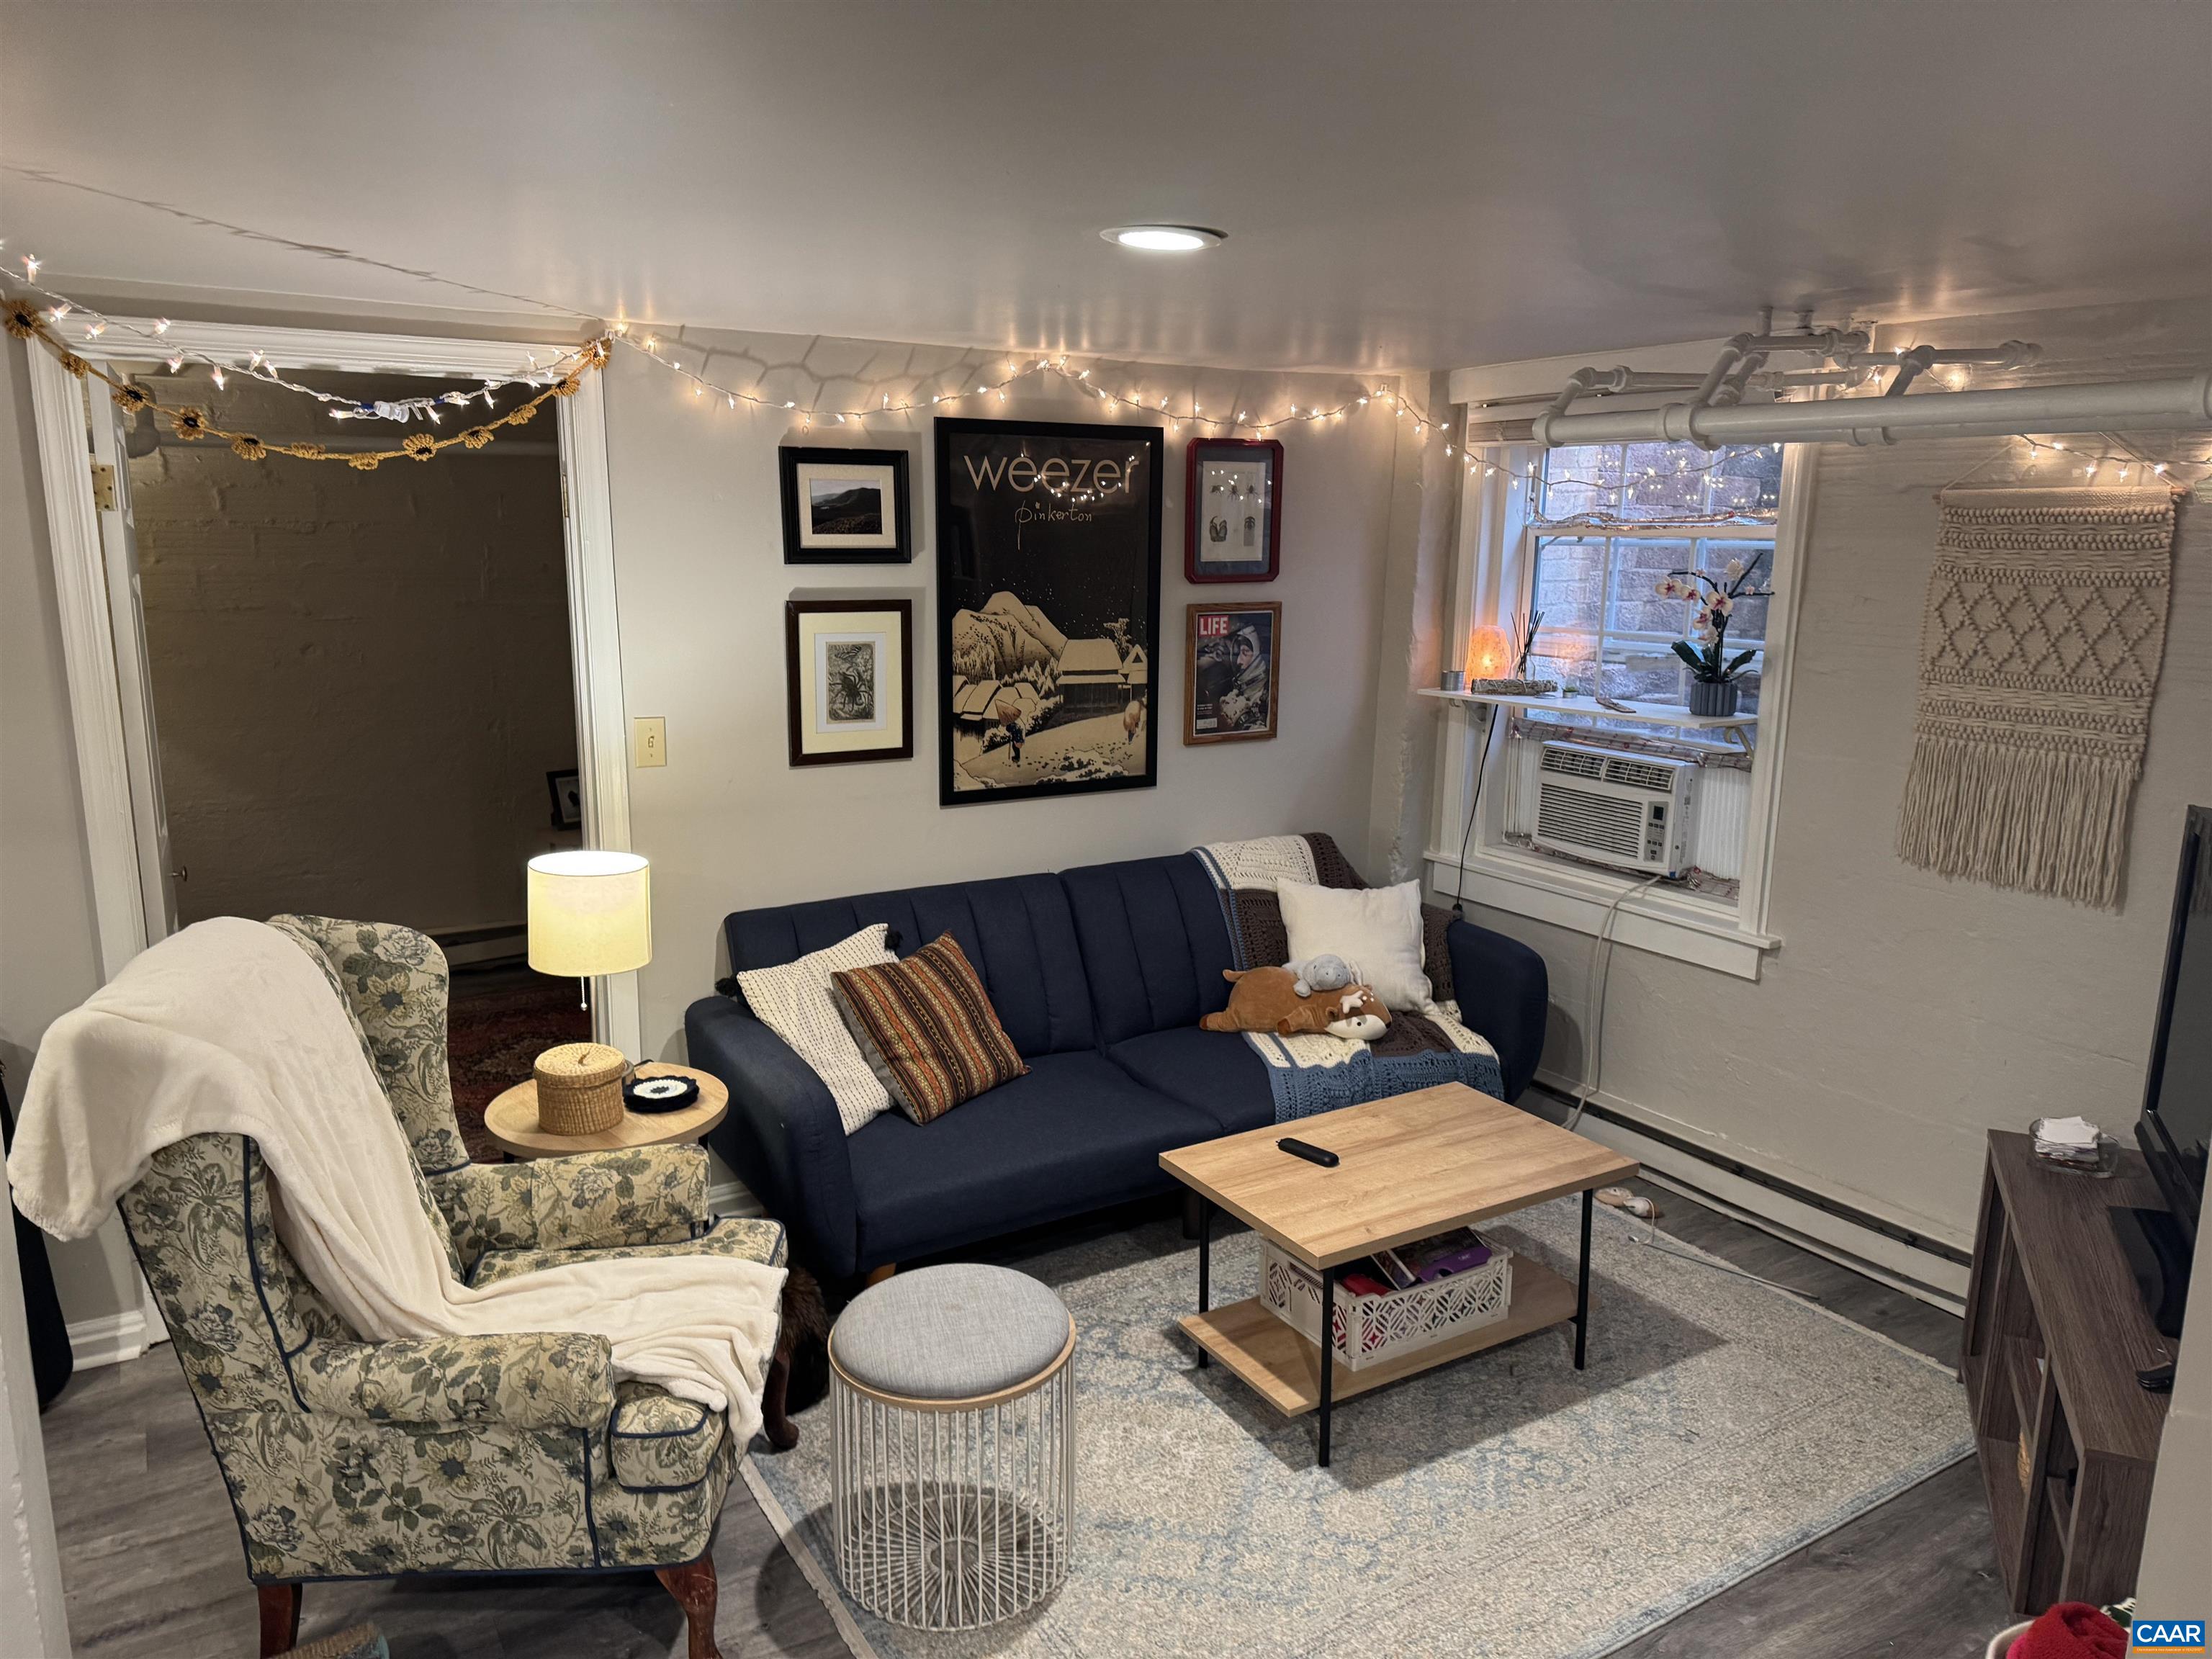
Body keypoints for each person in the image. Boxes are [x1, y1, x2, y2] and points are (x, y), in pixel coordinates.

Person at [1217, 626, 1270, 731]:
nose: (1238, 662)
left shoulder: (1271, 695)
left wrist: (1242, 718)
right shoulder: (1240, 694)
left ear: (1259, 657)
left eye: (1245, 653)